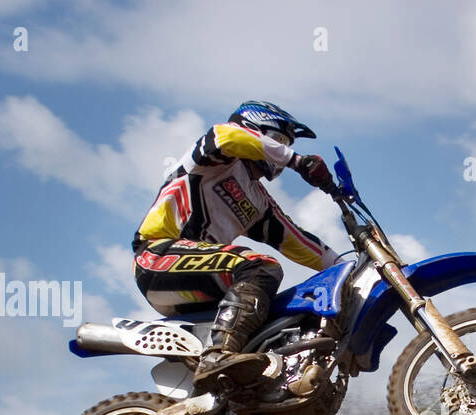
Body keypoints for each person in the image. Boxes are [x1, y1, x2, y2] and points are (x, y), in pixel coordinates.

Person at [133, 101, 341, 391]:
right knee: (261, 267)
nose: (279, 151)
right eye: (278, 140)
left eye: (284, 145)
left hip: (205, 280)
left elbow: (297, 240)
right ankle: (217, 356)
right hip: (157, 256)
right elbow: (226, 136)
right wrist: (296, 160)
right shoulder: (216, 156)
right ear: (254, 129)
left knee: (272, 315)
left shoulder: (258, 200)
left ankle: (248, 391)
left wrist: (344, 268)